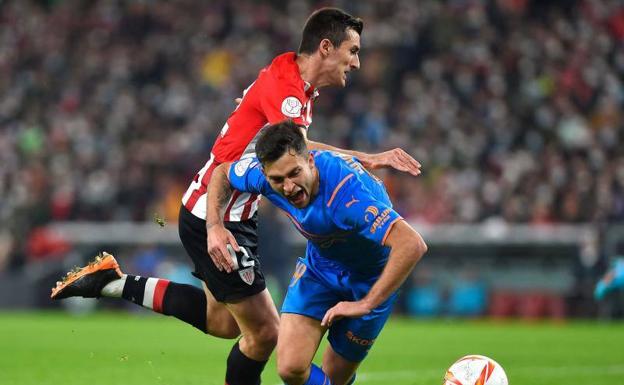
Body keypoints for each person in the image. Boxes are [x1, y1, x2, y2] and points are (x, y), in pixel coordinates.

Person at [50, 7, 421, 385]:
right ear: (326, 47)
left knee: (223, 321)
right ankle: (111, 282)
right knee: (263, 333)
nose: (356, 62)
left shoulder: (293, 80)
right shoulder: (288, 93)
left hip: (237, 211)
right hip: (216, 209)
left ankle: (110, 282)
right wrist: (368, 158)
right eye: (353, 51)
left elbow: (299, 151)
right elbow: (302, 152)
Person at [206, 120, 427, 385]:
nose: (288, 187)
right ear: (265, 175)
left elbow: (412, 244)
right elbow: (222, 172)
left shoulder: (347, 195)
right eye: (277, 179)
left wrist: (366, 303)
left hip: (370, 281)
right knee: (290, 367)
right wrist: (214, 226)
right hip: (320, 269)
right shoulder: (263, 176)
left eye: (294, 174)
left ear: (311, 162)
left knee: (336, 377)